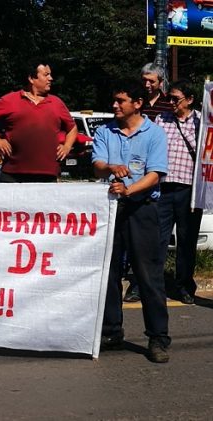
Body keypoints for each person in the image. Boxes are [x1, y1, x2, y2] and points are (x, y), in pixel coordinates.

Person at [92, 78, 171, 363]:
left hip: (143, 209)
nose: (114, 105)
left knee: (148, 275)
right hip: (111, 209)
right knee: (109, 272)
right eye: (114, 100)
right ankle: (111, 331)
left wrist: (129, 190)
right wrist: (110, 167)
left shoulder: (154, 134)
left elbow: (155, 174)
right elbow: (98, 165)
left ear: (137, 104)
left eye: (120, 101)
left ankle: (158, 337)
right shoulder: (105, 131)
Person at [123, 62, 175, 303]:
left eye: (151, 81)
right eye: (144, 79)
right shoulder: (135, 103)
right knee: (131, 237)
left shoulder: (168, 105)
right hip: (134, 178)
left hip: (159, 177)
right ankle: (133, 281)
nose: (146, 84)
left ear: (160, 83)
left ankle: (148, 284)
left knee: (153, 238)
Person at [0, 60, 77, 183]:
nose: (51, 78)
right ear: (31, 78)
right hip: (13, 175)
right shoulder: (10, 100)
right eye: (46, 75)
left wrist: (67, 146)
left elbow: (72, 128)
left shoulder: (57, 103)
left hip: (47, 176)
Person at [155, 79, 202, 305]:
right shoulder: (161, 119)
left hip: (189, 190)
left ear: (190, 99)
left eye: (176, 99)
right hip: (163, 187)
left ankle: (184, 285)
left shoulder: (202, 122)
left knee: (186, 240)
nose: (171, 103)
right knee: (158, 239)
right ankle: (152, 284)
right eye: (169, 98)